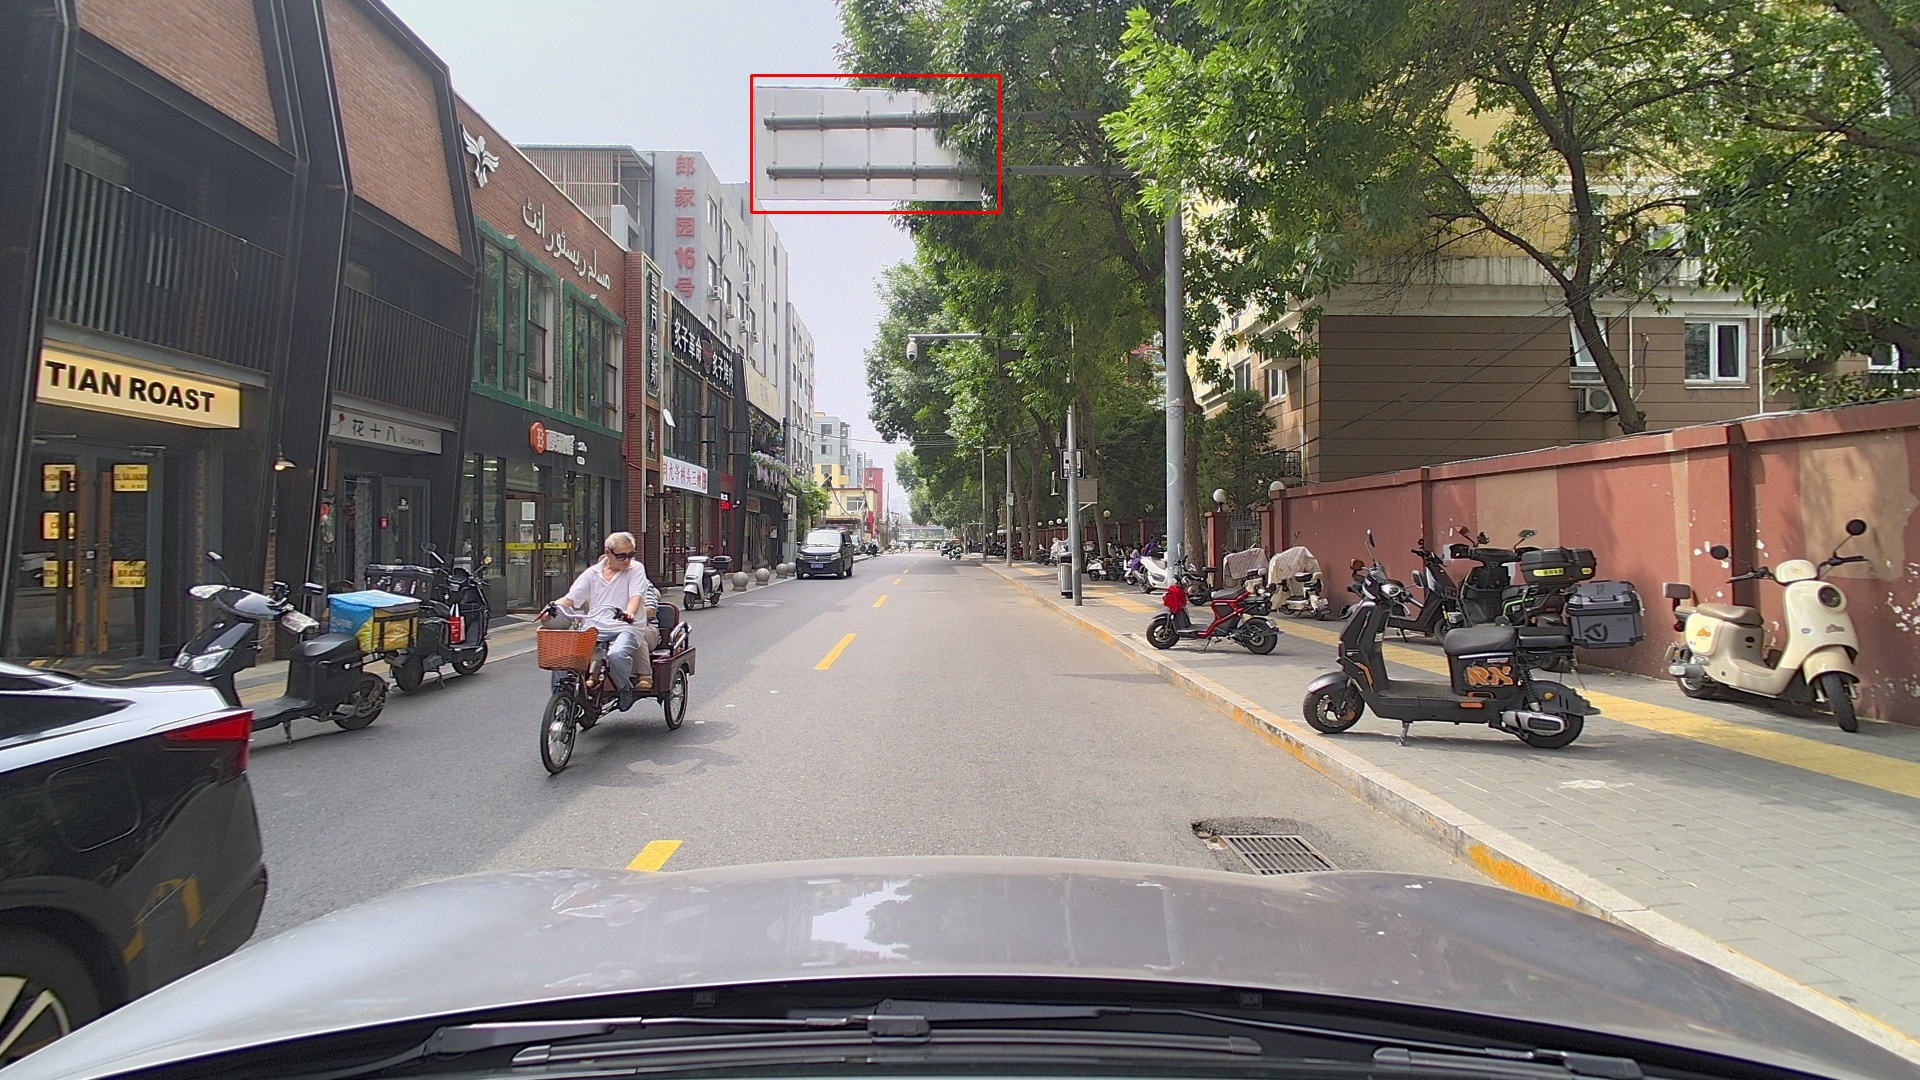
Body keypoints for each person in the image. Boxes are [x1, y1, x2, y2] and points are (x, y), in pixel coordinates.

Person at [543, 531, 659, 710]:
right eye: (621, 556)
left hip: (626, 626)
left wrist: (629, 613)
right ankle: (562, 700)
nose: (627, 560)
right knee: (564, 658)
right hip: (595, 627)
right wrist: (553, 608)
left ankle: (625, 688)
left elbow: (635, 597)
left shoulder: (635, 569)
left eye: (631, 555)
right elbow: (570, 598)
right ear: (608, 553)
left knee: (616, 655)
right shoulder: (592, 573)